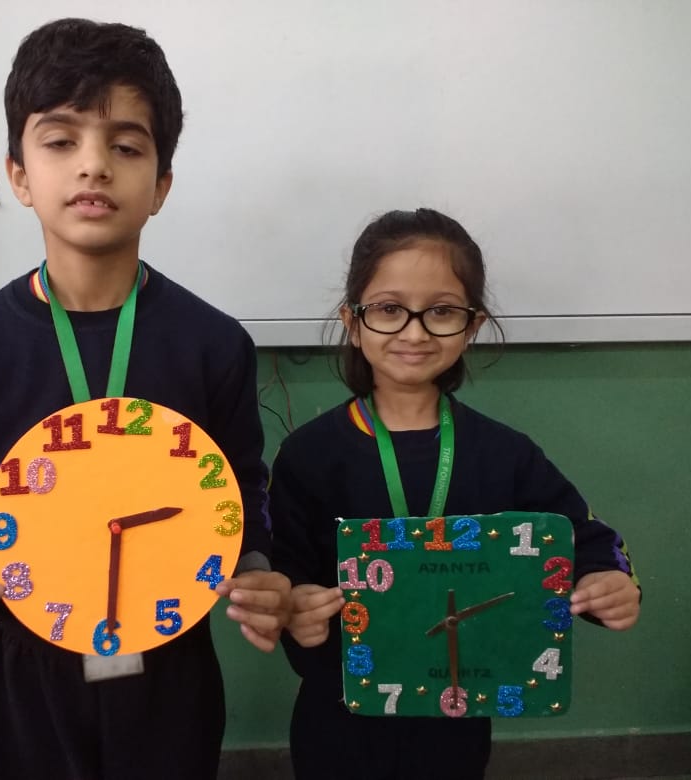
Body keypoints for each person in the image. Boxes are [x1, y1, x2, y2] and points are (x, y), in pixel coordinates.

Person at [0, 18, 290, 780]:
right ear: (18, 175)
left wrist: (253, 563)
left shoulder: (212, 346)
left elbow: (242, 485)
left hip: (172, 656)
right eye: (60, 141)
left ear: (161, 186)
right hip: (29, 655)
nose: (93, 167)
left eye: (125, 145)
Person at [269, 208, 641, 779]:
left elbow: (587, 540)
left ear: (471, 324)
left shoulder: (505, 453)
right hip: (339, 715)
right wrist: (296, 609)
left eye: (441, 311)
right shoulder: (310, 456)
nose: (415, 332)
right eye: (390, 310)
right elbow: (283, 572)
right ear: (353, 320)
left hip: (459, 715)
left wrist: (609, 582)